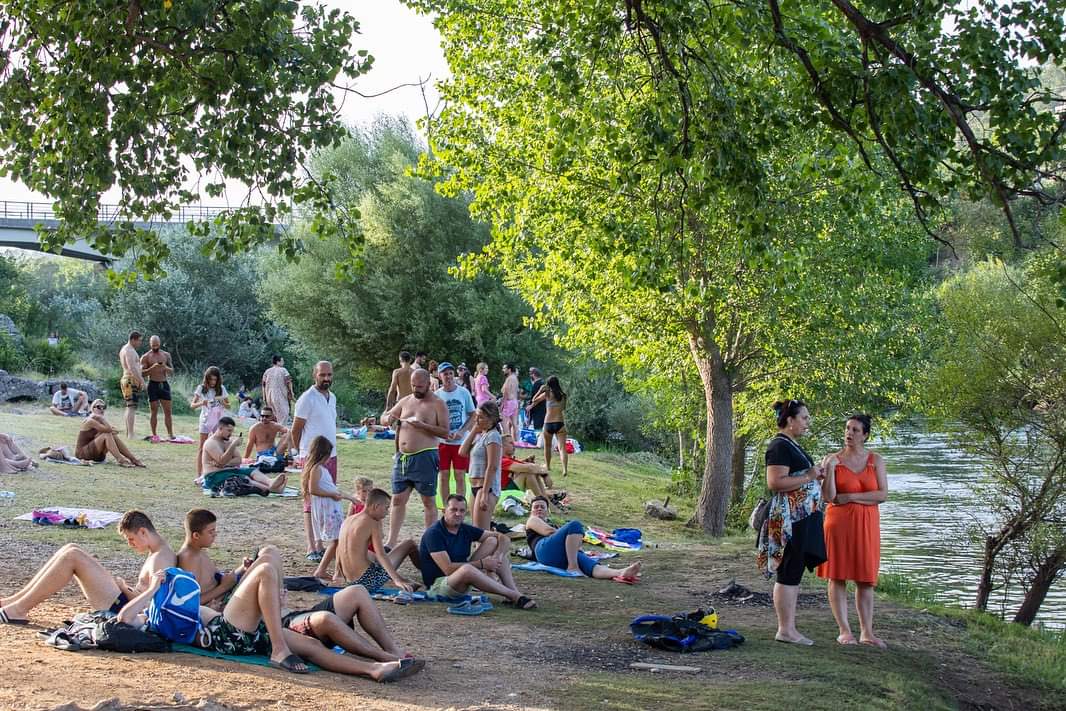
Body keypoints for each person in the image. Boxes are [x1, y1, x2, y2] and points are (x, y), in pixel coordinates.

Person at [0, 510, 174, 624]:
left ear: (143, 532)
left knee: (72, 556)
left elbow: (153, 604)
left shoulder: (162, 558)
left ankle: (18, 610)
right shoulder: (157, 552)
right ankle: (13, 602)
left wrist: (123, 587)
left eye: (131, 539)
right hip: (123, 601)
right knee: (71, 548)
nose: (130, 544)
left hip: (125, 610)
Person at [757, 399, 827, 646]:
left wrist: (815, 475)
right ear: (790, 420)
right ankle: (785, 630)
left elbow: (798, 478)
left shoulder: (790, 444)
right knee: (788, 570)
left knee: (794, 569)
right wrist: (809, 475)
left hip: (802, 517)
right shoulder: (779, 446)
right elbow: (775, 482)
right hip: (789, 518)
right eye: (804, 418)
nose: (808, 422)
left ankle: (789, 627)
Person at [817, 414, 889, 648]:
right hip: (838, 524)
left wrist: (851, 497)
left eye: (856, 430)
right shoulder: (832, 460)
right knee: (837, 576)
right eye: (847, 428)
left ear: (865, 435)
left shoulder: (875, 460)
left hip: (866, 526)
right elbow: (828, 497)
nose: (849, 433)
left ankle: (867, 632)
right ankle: (844, 630)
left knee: (865, 579)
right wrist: (829, 468)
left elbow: (882, 495)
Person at [418, 495, 535, 609]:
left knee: (493, 541)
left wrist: (497, 556)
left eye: (462, 510)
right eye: (453, 510)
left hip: (461, 579)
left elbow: (504, 538)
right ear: (444, 511)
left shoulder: (463, 528)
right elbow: (447, 569)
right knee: (467, 569)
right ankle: (515, 596)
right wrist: (482, 564)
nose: (458, 514)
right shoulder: (434, 533)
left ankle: (513, 595)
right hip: (438, 586)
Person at [382, 369, 449, 548]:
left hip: (425, 456)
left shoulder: (438, 403)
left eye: (419, 386)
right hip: (402, 458)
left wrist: (424, 426)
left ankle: (429, 542)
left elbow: (445, 431)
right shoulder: (406, 401)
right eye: (413, 385)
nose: (416, 389)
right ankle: (391, 540)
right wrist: (390, 419)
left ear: (429, 384)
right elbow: (385, 417)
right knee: (397, 499)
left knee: (428, 500)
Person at [282, 584, 419, 666]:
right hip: (285, 626)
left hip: (296, 614)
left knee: (357, 591)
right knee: (326, 617)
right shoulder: (263, 574)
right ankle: (382, 656)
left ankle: (392, 649)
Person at [524, 496, 642, 580]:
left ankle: (620, 572)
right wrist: (568, 534)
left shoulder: (550, 523)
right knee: (575, 524)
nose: (539, 509)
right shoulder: (532, 520)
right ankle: (573, 567)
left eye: (542, 507)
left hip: (556, 555)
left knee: (591, 565)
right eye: (536, 507)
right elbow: (548, 532)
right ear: (531, 510)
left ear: (547, 511)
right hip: (543, 550)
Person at [290, 361, 338, 562]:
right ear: (314, 375)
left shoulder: (332, 397)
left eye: (329, 375)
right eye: (322, 375)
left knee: (328, 498)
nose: (326, 378)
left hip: (332, 455)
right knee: (310, 501)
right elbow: (296, 429)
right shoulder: (307, 398)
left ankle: (325, 543)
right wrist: (299, 453)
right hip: (311, 457)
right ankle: (312, 545)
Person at [335, 488, 421, 591]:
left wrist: (338, 573)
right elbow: (381, 554)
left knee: (367, 554)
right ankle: (428, 573)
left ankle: (406, 578)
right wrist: (397, 580)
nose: (387, 513)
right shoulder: (372, 523)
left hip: (350, 581)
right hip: (367, 581)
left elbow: (339, 549)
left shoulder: (348, 520)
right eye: (386, 508)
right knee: (409, 543)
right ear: (376, 506)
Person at [177, 508, 264, 609]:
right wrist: (224, 587)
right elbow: (188, 602)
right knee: (264, 571)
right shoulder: (189, 559)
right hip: (222, 606)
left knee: (266, 554)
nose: (215, 534)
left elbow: (218, 580)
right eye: (211, 532)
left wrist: (242, 569)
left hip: (227, 595)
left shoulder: (198, 551)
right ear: (196, 535)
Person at [303, 435, 356, 582]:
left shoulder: (322, 469)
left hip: (332, 507)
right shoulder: (316, 469)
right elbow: (313, 489)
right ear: (322, 454)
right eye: (327, 455)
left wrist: (350, 498)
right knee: (336, 540)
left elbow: (332, 489)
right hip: (327, 509)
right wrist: (332, 495)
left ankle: (331, 570)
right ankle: (326, 570)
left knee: (337, 540)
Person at [200, 417, 287, 494]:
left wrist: (225, 464)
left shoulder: (227, 441)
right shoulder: (211, 443)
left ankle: (270, 482)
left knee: (252, 471)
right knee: (243, 478)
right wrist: (233, 445)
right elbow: (222, 460)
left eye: (232, 431)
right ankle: (270, 489)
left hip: (228, 470)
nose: (230, 434)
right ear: (220, 428)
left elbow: (238, 460)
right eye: (229, 431)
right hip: (214, 475)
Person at [435, 362, 476, 505]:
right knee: (443, 476)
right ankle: (447, 506)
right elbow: (433, 420)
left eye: (451, 373)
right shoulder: (437, 395)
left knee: (460, 475)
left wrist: (462, 431)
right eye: (445, 374)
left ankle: (460, 505)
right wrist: (443, 433)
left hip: (460, 441)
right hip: (443, 442)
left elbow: (473, 415)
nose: (448, 376)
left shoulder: (463, 392)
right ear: (439, 376)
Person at [460, 401, 504, 530]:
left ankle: (495, 548)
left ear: (491, 419)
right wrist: (474, 430)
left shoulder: (493, 436)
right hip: (475, 486)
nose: (476, 420)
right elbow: (462, 452)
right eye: (476, 416)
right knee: (475, 530)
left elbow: (492, 466)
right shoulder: (483, 436)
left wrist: (485, 492)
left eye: (480, 417)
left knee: (481, 532)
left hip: (486, 487)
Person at [75, 399, 146, 467]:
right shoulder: (90, 421)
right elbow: (109, 429)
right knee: (107, 434)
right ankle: (120, 459)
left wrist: (108, 429)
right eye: (99, 407)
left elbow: (114, 430)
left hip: (97, 455)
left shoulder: (99, 421)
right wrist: (102, 419)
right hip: (83, 454)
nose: (102, 409)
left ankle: (133, 459)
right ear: (93, 409)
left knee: (110, 435)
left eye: (104, 407)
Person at [191, 366, 230, 479]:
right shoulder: (201, 388)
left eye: (215, 379)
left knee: (219, 445)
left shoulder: (221, 388)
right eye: (211, 379)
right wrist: (201, 403)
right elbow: (192, 405)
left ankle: (215, 472)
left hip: (218, 420)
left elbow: (228, 405)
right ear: (207, 379)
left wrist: (222, 402)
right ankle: (199, 475)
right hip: (205, 419)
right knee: (202, 447)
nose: (213, 382)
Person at [530, 375, 570, 476]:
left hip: (548, 423)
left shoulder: (547, 394)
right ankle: (564, 469)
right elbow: (563, 409)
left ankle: (548, 466)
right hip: (560, 423)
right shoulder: (563, 395)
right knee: (562, 448)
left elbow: (534, 400)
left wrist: (540, 391)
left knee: (547, 447)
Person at [139, 335, 175, 441]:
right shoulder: (146, 356)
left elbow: (172, 371)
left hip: (164, 384)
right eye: (153, 345)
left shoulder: (166, 355)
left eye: (157, 344)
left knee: (168, 411)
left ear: (160, 343)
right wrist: (152, 368)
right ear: (150, 344)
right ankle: (154, 434)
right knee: (153, 411)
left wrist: (165, 367)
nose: (155, 346)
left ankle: (170, 434)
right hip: (152, 384)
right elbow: (142, 373)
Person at [502, 435, 555, 500]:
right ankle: (543, 500)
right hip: (502, 494)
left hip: (509, 489)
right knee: (528, 473)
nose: (514, 445)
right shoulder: (502, 460)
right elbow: (529, 468)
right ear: (502, 446)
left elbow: (530, 466)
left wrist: (528, 462)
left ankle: (545, 499)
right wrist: (545, 474)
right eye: (511, 443)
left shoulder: (508, 460)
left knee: (531, 472)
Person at [118, 331, 145, 438]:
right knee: (131, 407)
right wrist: (142, 381)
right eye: (139, 341)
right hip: (130, 380)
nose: (140, 343)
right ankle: (131, 434)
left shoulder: (126, 349)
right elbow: (131, 367)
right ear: (133, 339)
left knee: (130, 406)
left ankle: (129, 432)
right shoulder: (128, 350)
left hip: (129, 380)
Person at [261, 355, 294, 427]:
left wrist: (264, 397)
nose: (283, 363)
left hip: (269, 396)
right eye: (282, 361)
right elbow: (289, 382)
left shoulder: (267, 371)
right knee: (284, 413)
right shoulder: (283, 370)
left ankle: (274, 430)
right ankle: (280, 430)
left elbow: (263, 385)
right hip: (280, 396)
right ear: (278, 362)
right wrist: (291, 393)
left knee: (273, 414)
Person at [500, 363, 520, 439]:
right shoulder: (515, 378)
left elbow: (506, 392)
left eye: (504, 368)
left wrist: (502, 404)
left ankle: (507, 439)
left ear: (509, 369)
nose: (503, 370)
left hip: (509, 402)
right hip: (515, 401)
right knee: (514, 423)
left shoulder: (509, 378)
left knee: (503, 422)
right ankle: (516, 440)